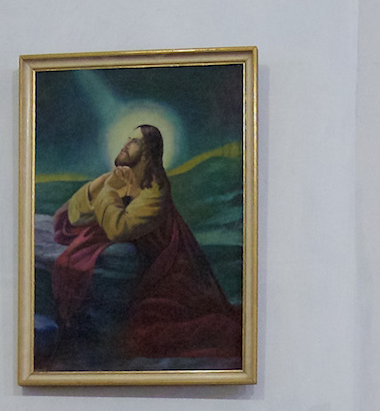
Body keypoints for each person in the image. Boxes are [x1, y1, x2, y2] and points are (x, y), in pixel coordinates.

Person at [48, 123, 241, 366]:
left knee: (144, 336)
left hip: (165, 276)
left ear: (148, 151)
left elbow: (119, 229)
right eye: (128, 139)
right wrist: (97, 188)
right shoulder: (120, 178)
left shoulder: (155, 192)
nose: (126, 144)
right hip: (138, 268)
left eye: (134, 141)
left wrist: (109, 192)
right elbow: (74, 216)